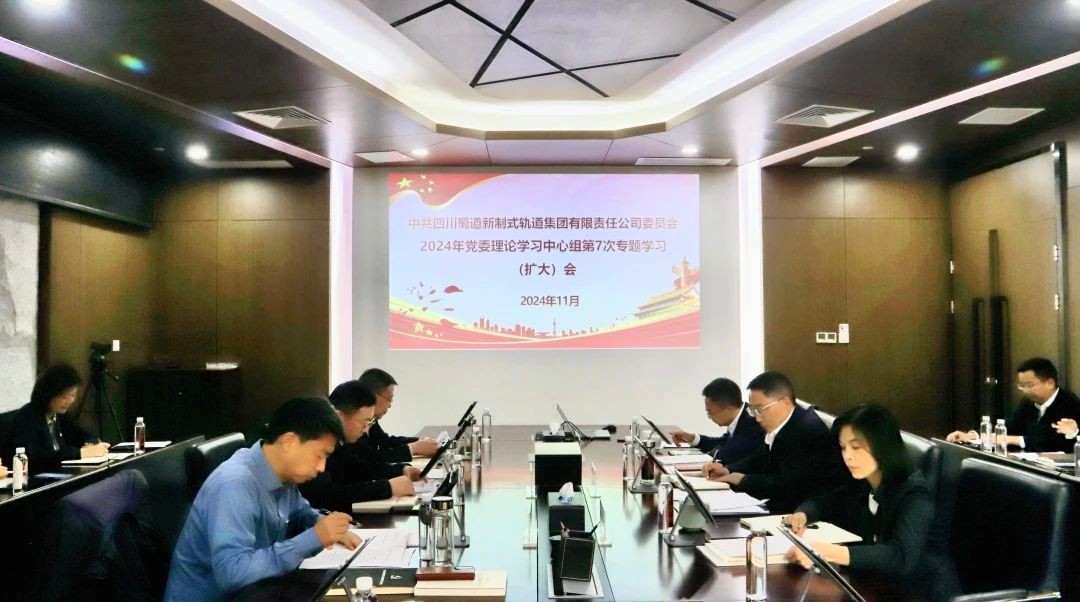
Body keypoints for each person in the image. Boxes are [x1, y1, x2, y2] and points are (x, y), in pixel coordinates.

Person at [164, 397, 360, 602]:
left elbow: (301, 513)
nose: (322, 467)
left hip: (258, 593)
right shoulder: (234, 484)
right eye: (319, 455)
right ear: (289, 442)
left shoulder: (281, 473)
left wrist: (326, 525)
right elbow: (232, 572)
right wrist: (314, 538)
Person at [783, 404, 934, 578]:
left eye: (855, 447)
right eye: (843, 447)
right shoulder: (864, 481)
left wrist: (829, 552)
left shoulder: (915, 493)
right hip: (869, 581)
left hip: (914, 587)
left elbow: (899, 556)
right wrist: (803, 514)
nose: (847, 456)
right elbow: (828, 503)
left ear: (882, 445)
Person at [702, 371, 847, 513]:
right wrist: (728, 470)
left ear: (784, 402)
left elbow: (786, 484)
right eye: (753, 410)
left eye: (760, 409)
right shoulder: (782, 422)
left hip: (800, 511)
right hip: (781, 502)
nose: (757, 418)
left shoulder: (807, 432)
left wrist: (743, 480)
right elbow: (758, 459)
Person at [299, 380, 423, 511]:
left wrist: (401, 470)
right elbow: (327, 495)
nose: (365, 430)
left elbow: (357, 469)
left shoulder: (342, 441)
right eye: (365, 422)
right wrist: (387, 487)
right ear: (340, 417)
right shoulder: (316, 443)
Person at [946, 357, 1080, 452]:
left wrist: (1007, 439)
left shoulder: (1070, 404)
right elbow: (1010, 426)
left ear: (1050, 383)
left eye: (1029, 385)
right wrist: (973, 435)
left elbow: (1053, 442)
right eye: (1022, 386)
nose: (1025, 390)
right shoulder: (1029, 403)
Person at [10, 363, 109, 472]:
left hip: (61, 474)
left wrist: (92, 444)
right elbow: (37, 459)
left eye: (73, 395)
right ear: (49, 394)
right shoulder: (27, 417)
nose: (69, 401)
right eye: (64, 396)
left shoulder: (61, 415)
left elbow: (83, 436)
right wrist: (80, 453)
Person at [670, 377, 764, 465]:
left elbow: (728, 453)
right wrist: (692, 438)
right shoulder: (740, 417)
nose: (709, 417)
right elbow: (723, 442)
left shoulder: (752, 422)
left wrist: (710, 453)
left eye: (710, 412)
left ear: (727, 409)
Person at [358, 368, 439, 461]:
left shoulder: (371, 420)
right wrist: (413, 448)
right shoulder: (355, 424)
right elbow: (370, 459)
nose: (390, 405)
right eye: (389, 399)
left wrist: (419, 441)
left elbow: (386, 442)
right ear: (373, 396)